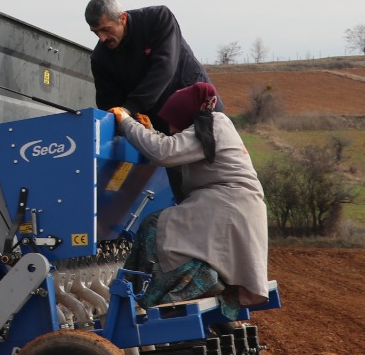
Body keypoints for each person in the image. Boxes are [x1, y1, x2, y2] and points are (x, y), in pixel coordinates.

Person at [111, 81, 269, 317]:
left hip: (226, 206)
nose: (173, 129)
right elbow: (173, 148)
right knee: (173, 234)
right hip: (232, 206)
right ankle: (193, 282)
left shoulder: (212, 126)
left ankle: (149, 296)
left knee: (154, 226)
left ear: (186, 116)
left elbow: (164, 152)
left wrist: (126, 123)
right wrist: (150, 132)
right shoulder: (214, 126)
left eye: (174, 122)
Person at [85, 0, 219, 135]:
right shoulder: (100, 58)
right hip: (159, 131)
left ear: (122, 18)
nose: (102, 38)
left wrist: (130, 108)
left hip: (200, 112)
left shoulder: (158, 19)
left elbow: (164, 68)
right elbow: (110, 107)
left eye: (106, 29)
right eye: (96, 32)